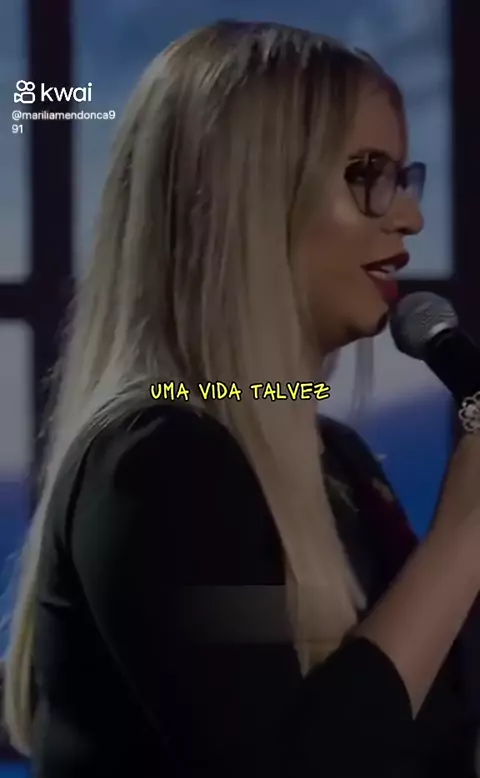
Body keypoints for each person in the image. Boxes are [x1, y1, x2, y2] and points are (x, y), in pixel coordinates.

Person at [3, 18, 480, 778]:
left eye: (403, 177)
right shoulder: (160, 465)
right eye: (366, 175)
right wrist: (463, 538)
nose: (410, 217)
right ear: (241, 201)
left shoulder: (342, 463)